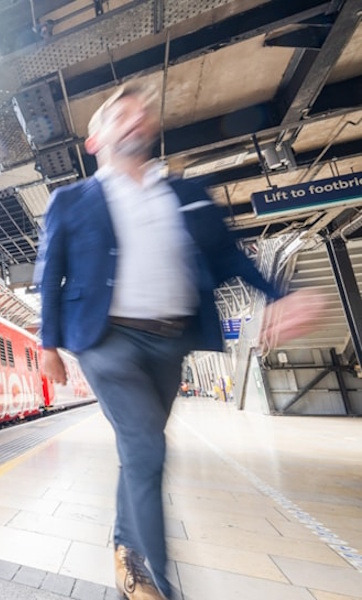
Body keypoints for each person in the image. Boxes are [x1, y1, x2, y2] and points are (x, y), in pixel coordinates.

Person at [35, 83, 321, 599]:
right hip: (106, 339)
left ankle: (124, 546)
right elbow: (50, 272)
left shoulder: (188, 194)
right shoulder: (71, 200)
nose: (135, 120)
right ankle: (156, 583)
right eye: (120, 115)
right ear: (95, 139)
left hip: (171, 340)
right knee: (148, 445)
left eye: (143, 113)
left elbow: (230, 256)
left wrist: (279, 294)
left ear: (152, 128)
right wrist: (47, 344)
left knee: (138, 452)